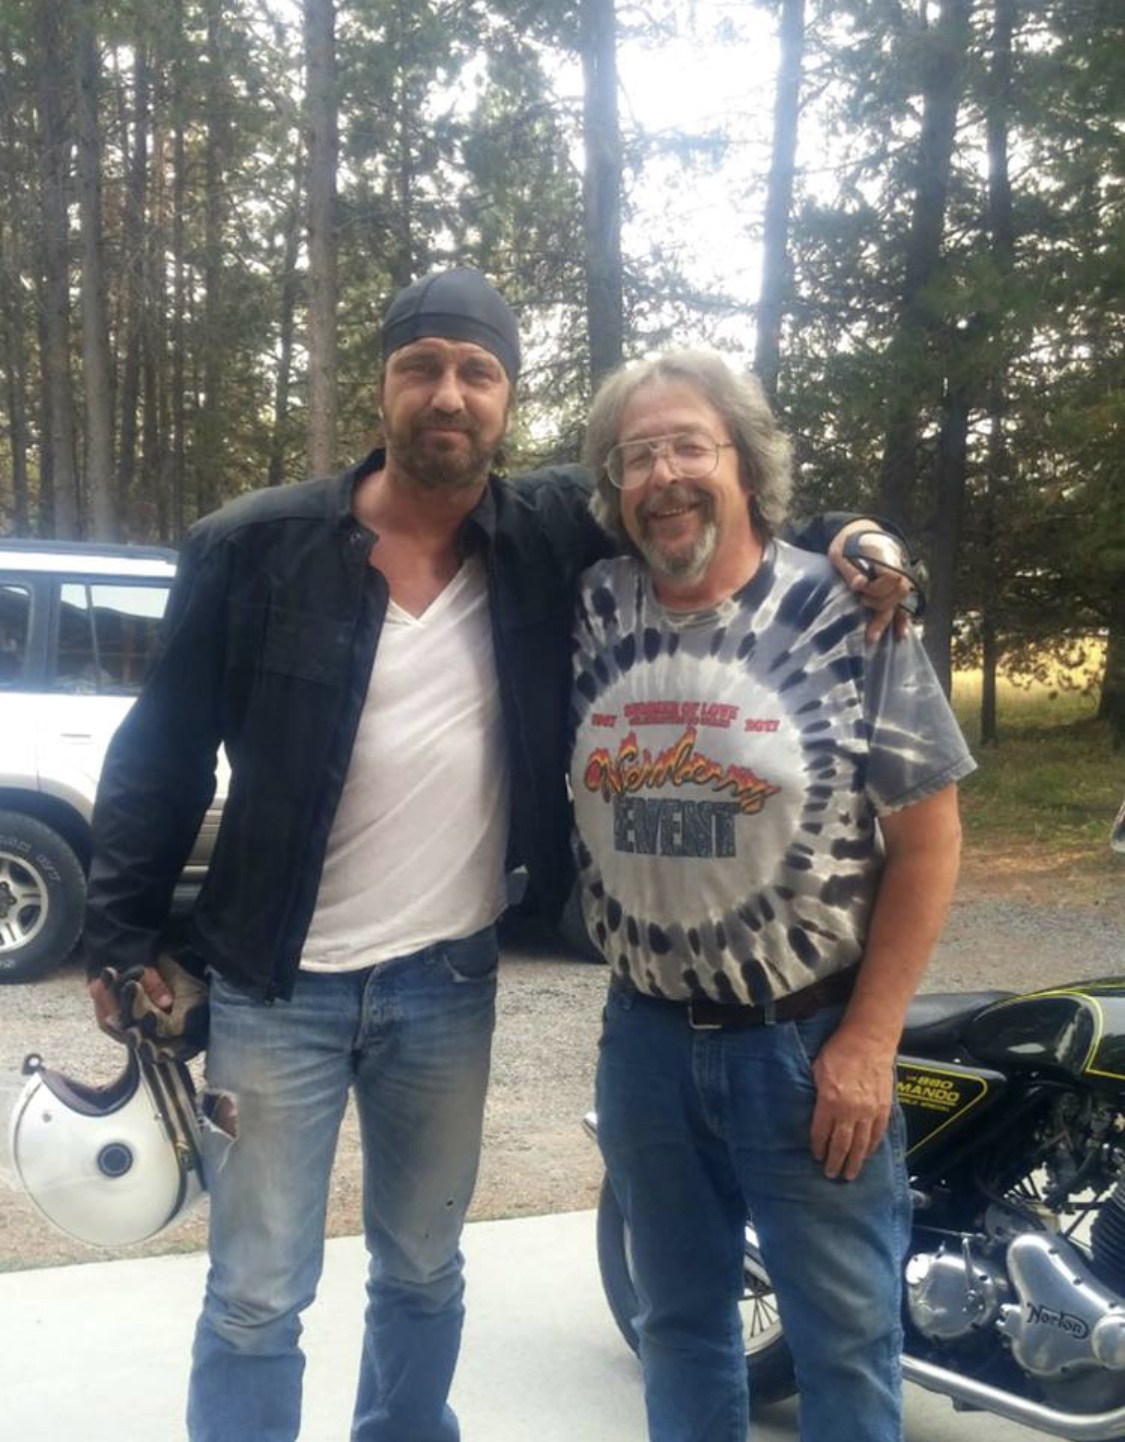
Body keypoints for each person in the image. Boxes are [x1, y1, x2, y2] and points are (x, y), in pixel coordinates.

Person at [83, 271, 912, 1442]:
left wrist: (850, 537)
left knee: (424, 1268)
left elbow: (709, 499)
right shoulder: (254, 547)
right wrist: (120, 932)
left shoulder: (543, 530)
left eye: (477, 372)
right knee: (258, 1289)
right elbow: (161, 749)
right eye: (421, 366)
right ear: (381, 386)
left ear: (508, 397)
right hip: (274, 985)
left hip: (446, 980)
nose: (449, 393)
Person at [570, 350, 975, 1442]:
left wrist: (870, 1041)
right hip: (644, 1042)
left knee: (843, 1342)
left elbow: (928, 839)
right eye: (636, 455)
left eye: (688, 446)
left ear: (745, 464)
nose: (663, 475)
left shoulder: (846, 612)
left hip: (804, 1050)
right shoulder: (591, 605)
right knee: (677, 1326)